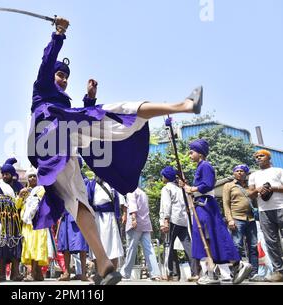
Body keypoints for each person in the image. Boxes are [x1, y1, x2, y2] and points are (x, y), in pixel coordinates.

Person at [28, 17, 204, 285]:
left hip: (62, 145)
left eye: (65, 76)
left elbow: (81, 116)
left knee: (77, 201)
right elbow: (46, 61)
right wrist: (59, 34)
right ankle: (182, 105)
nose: (62, 80)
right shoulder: (41, 89)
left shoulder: (64, 103)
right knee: (112, 115)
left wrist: (88, 98)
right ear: (50, 75)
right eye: (59, 74)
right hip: (51, 139)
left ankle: (104, 265)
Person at [180, 139, 251, 285]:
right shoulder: (201, 166)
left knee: (212, 236)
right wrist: (187, 186)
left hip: (206, 206)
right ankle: (213, 272)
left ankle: (237, 264)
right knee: (208, 239)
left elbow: (207, 184)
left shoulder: (205, 166)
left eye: (191, 152)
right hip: (201, 206)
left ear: (200, 153)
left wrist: (191, 189)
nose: (189, 154)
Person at [248, 149, 283, 282]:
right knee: (271, 242)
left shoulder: (279, 171)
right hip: (264, 211)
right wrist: (257, 190)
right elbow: (250, 194)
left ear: (268, 158)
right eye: (256, 157)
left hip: (281, 207)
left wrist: (272, 188)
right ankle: (279, 271)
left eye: (261, 156)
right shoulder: (253, 175)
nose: (258, 158)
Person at [159, 166, 199, 281]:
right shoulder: (180, 189)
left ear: (166, 177)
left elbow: (166, 205)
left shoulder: (167, 188)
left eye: (163, 175)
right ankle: (195, 271)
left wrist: (165, 221)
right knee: (188, 246)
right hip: (183, 221)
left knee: (169, 246)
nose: (162, 178)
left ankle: (171, 273)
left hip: (172, 220)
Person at [222, 164, 260, 281]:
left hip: (251, 219)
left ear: (246, 173)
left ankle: (253, 273)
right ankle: (236, 272)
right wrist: (230, 219)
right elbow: (226, 203)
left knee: (253, 246)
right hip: (237, 219)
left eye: (242, 171)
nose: (239, 172)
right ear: (234, 173)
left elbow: (255, 202)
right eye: (237, 171)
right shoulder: (229, 185)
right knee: (237, 245)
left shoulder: (250, 187)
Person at [16, 166, 50, 281]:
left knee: (38, 246)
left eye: (34, 176)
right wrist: (20, 196)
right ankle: (36, 272)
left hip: (38, 222)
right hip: (27, 224)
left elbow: (40, 203)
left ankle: (34, 272)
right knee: (29, 247)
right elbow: (17, 206)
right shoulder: (24, 191)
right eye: (29, 176)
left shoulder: (41, 189)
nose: (31, 178)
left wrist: (31, 194)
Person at [120, 188, 162, 281]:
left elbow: (133, 206)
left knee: (131, 248)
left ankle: (125, 274)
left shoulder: (130, 191)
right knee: (149, 249)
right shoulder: (143, 193)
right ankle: (155, 274)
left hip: (135, 224)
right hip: (145, 223)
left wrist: (134, 219)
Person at [87, 176, 124, 279]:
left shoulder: (113, 183)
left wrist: (119, 216)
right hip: (96, 217)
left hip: (110, 217)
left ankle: (113, 273)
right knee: (97, 244)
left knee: (113, 245)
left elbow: (119, 202)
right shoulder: (91, 184)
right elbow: (88, 200)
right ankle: (100, 273)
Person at [0, 158, 24, 282]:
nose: (5, 176)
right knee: (3, 246)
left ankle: (15, 273)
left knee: (16, 245)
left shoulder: (18, 185)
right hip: (4, 219)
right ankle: (1, 274)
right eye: (3, 174)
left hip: (16, 220)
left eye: (7, 174)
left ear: (12, 174)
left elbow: (23, 201)